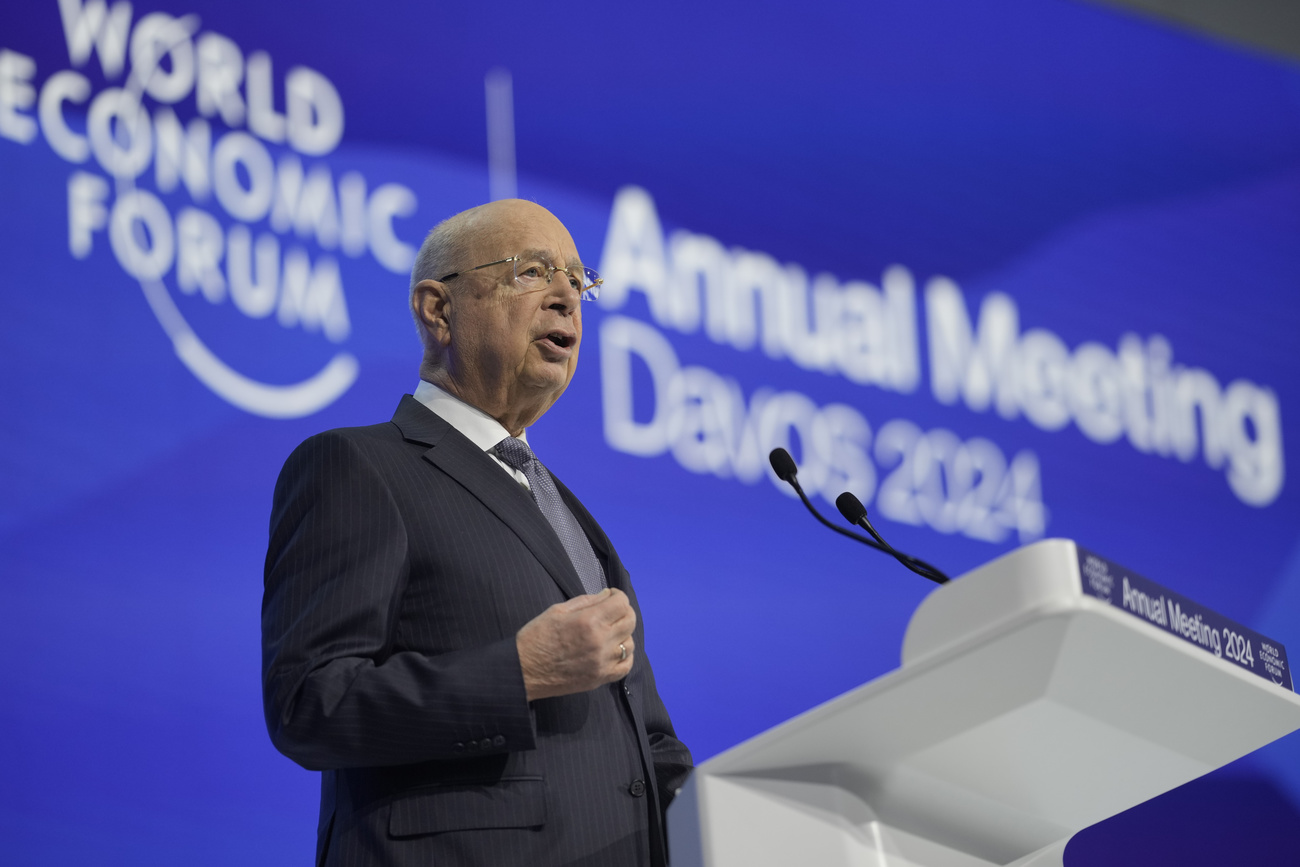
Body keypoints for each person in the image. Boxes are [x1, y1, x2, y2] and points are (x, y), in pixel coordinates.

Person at [261, 199, 693, 867]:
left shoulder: (577, 520)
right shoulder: (360, 466)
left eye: (579, 282)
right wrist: (517, 672)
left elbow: (649, 745)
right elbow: (309, 704)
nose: (565, 298)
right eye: (533, 272)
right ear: (439, 310)